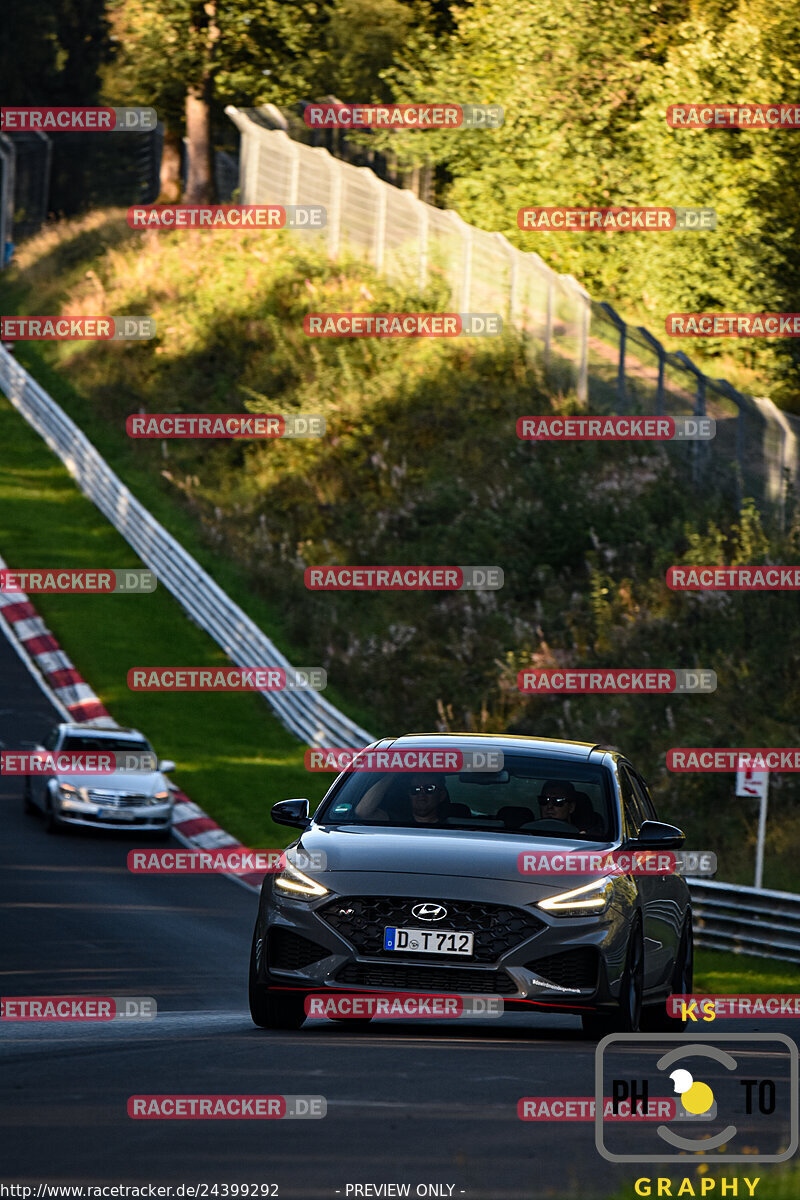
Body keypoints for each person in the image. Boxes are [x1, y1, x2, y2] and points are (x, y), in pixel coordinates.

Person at [354, 773, 449, 824]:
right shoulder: (395, 821)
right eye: (414, 790)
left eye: (429, 788)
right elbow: (362, 812)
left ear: (441, 795)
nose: (421, 794)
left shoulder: (456, 826)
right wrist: (394, 773)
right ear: (409, 795)